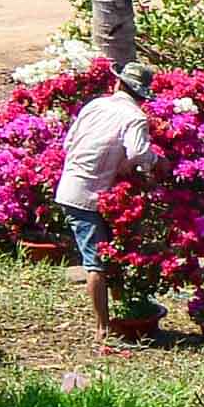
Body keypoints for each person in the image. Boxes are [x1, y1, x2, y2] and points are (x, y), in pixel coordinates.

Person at [55, 57, 150, 283]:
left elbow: (68, 143)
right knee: (95, 265)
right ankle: (103, 321)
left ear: (118, 84)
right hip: (88, 198)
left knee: (107, 259)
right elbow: (138, 153)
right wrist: (150, 162)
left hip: (70, 188)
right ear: (141, 95)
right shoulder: (136, 116)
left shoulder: (95, 105)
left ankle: (114, 314)